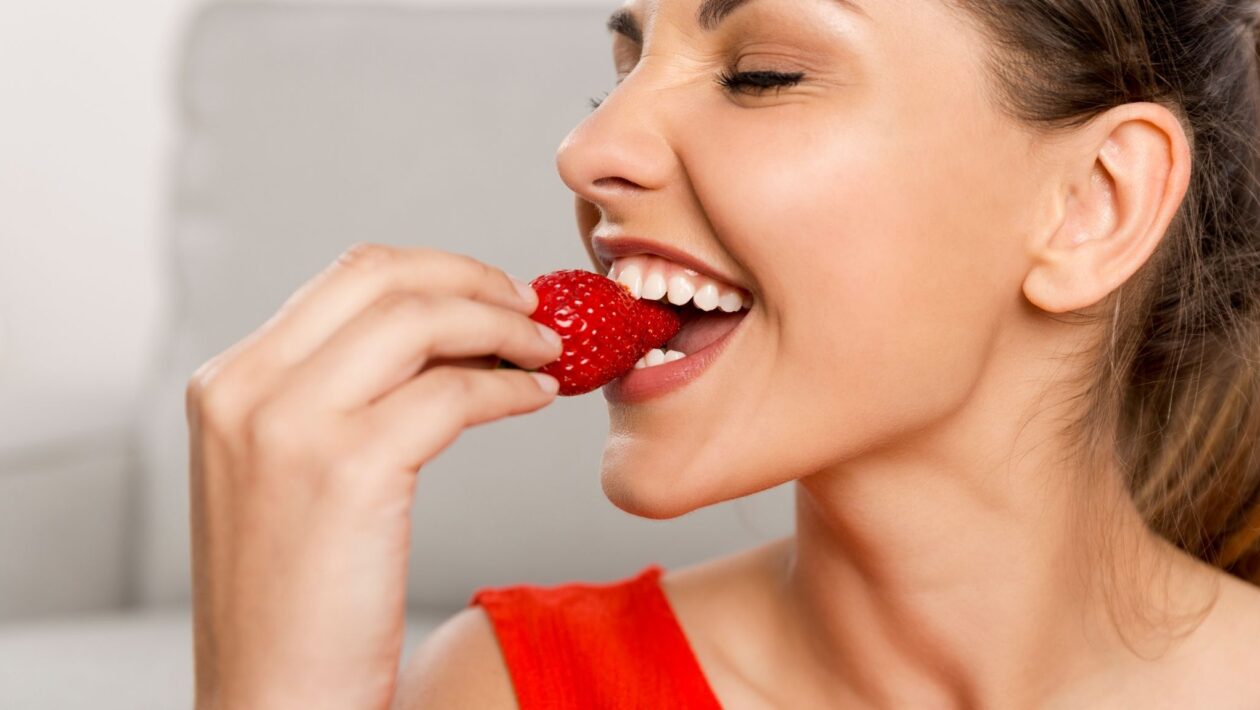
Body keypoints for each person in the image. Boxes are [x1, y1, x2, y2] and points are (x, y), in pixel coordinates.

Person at [186, 0, 1260, 707]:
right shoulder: (514, 687)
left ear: (1094, 204)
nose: (588, 147)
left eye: (763, 74)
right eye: (620, 69)